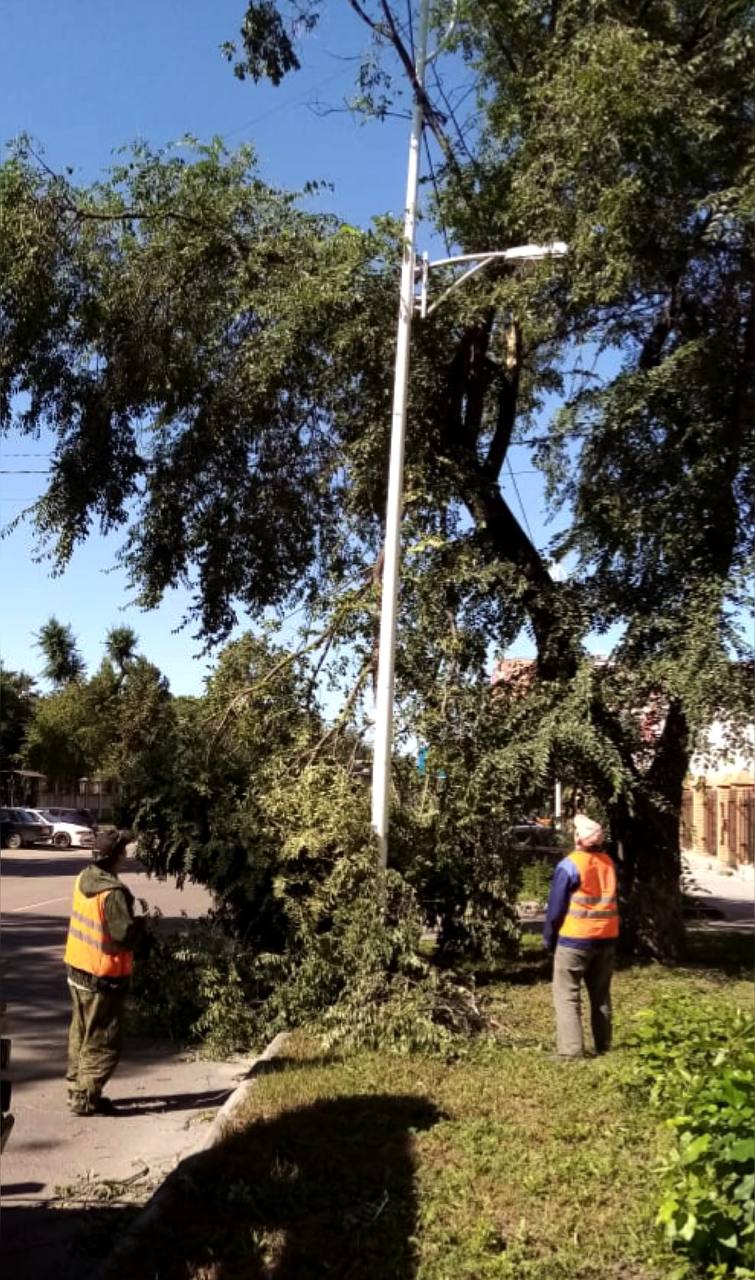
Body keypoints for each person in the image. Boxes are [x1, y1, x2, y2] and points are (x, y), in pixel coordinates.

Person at [64, 829, 142, 1115]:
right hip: (103, 977)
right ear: (117, 856)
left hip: (77, 969)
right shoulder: (113, 893)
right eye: (123, 849)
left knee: (81, 1033)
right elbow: (123, 935)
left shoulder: (84, 878)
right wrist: (142, 929)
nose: (125, 853)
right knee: (103, 1040)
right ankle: (84, 1098)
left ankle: (78, 1089)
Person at [542, 813, 619, 1059]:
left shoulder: (569, 865)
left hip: (574, 940)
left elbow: (555, 909)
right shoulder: (608, 863)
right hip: (606, 938)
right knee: (601, 995)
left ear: (576, 837)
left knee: (567, 995)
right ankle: (604, 1046)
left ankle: (571, 1052)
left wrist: (549, 938)